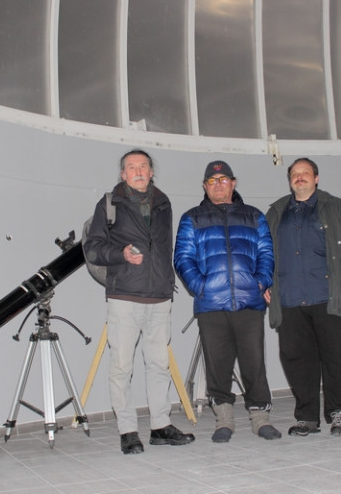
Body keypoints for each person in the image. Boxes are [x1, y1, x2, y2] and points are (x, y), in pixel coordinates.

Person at [83, 149, 195, 455]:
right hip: (124, 296)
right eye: (131, 167)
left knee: (159, 365)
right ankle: (128, 431)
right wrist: (121, 255)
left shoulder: (163, 203)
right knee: (122, 366)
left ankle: (160, 426)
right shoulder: (110, 203)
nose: (138, 171)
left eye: (143, 166)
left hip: (159, 296)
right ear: (123, 174)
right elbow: (92, 249)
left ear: (151, 171)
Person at [174, 160, 281, 443]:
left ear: (233, 183)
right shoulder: (191, 218)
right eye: (212, 181)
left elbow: (266, 254)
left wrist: (260, 283)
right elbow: (182, 258)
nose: (218, 185)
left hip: (249, 302)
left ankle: (261, 419)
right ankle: (224, 420)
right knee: (217, 364)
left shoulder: (254, 216)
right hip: (211, 305)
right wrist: (201, 286)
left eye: (223, 180)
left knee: (254, 363)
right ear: (204, 186)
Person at [264, 157, 341, 437]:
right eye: (294, 174)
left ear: (316, 178)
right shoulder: (275, 212)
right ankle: (307, 417)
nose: (299, 177)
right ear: (289, 180)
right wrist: (264, 283)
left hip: (330, 297)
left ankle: (339, 413)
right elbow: (264, 252)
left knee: (337, 359)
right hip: (290, 300)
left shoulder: (336, 207)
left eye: (305, 173)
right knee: (297, 361)